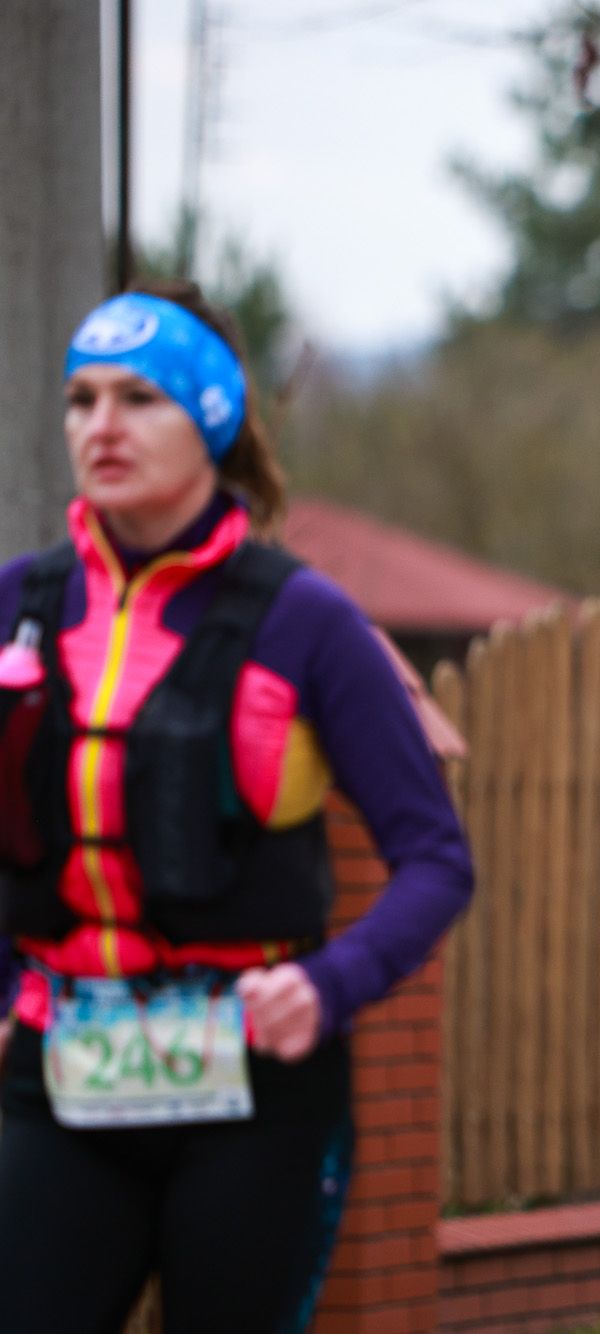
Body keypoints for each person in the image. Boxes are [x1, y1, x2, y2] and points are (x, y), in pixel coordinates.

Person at [0, 281, 475, 1333]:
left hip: (253, 1087)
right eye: (81, 399)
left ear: (211, 417)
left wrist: (326, 984)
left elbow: (436, 859)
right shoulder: (18, 604)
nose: (101, 425)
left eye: (139, 398)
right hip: (61, 1072)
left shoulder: (303, 619)